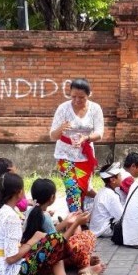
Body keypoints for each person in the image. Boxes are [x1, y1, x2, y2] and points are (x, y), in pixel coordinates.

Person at [0, 173, 90, 275]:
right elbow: (11, 258)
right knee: (54, 240)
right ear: (20, 192)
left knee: (49, 240)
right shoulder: (10, 216)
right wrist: (33, 241)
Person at [22, 178, 105, 275]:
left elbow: (51, 236)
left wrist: (66, 222)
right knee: (87, 236)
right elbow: (58, 243)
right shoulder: (45, 216)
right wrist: (76, 222)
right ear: (52, 197)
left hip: (34, 256)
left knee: (78, 235)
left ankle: (84, 260)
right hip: (45, 261)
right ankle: (84, 266)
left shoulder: (30, 211)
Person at [49, 78, 104, 213]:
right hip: (65, 155)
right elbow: (53, 136)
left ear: (89, 95)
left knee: (82, 188)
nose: (77, 100)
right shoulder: (63, 108)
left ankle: (80, 216)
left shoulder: (95, 109)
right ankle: (76, 222)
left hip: (85, 156)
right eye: (73, 96)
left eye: (82, 97)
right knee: (72, 188)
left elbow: (100, 133)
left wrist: (87, 138)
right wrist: (61, 128)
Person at [90, 163, 124, 237]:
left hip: (96, 229)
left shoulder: (103, 191)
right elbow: (121, 217)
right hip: (104, 230)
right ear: (113, 180)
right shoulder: (111, 195)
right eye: (120, 176)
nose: (122, 177)